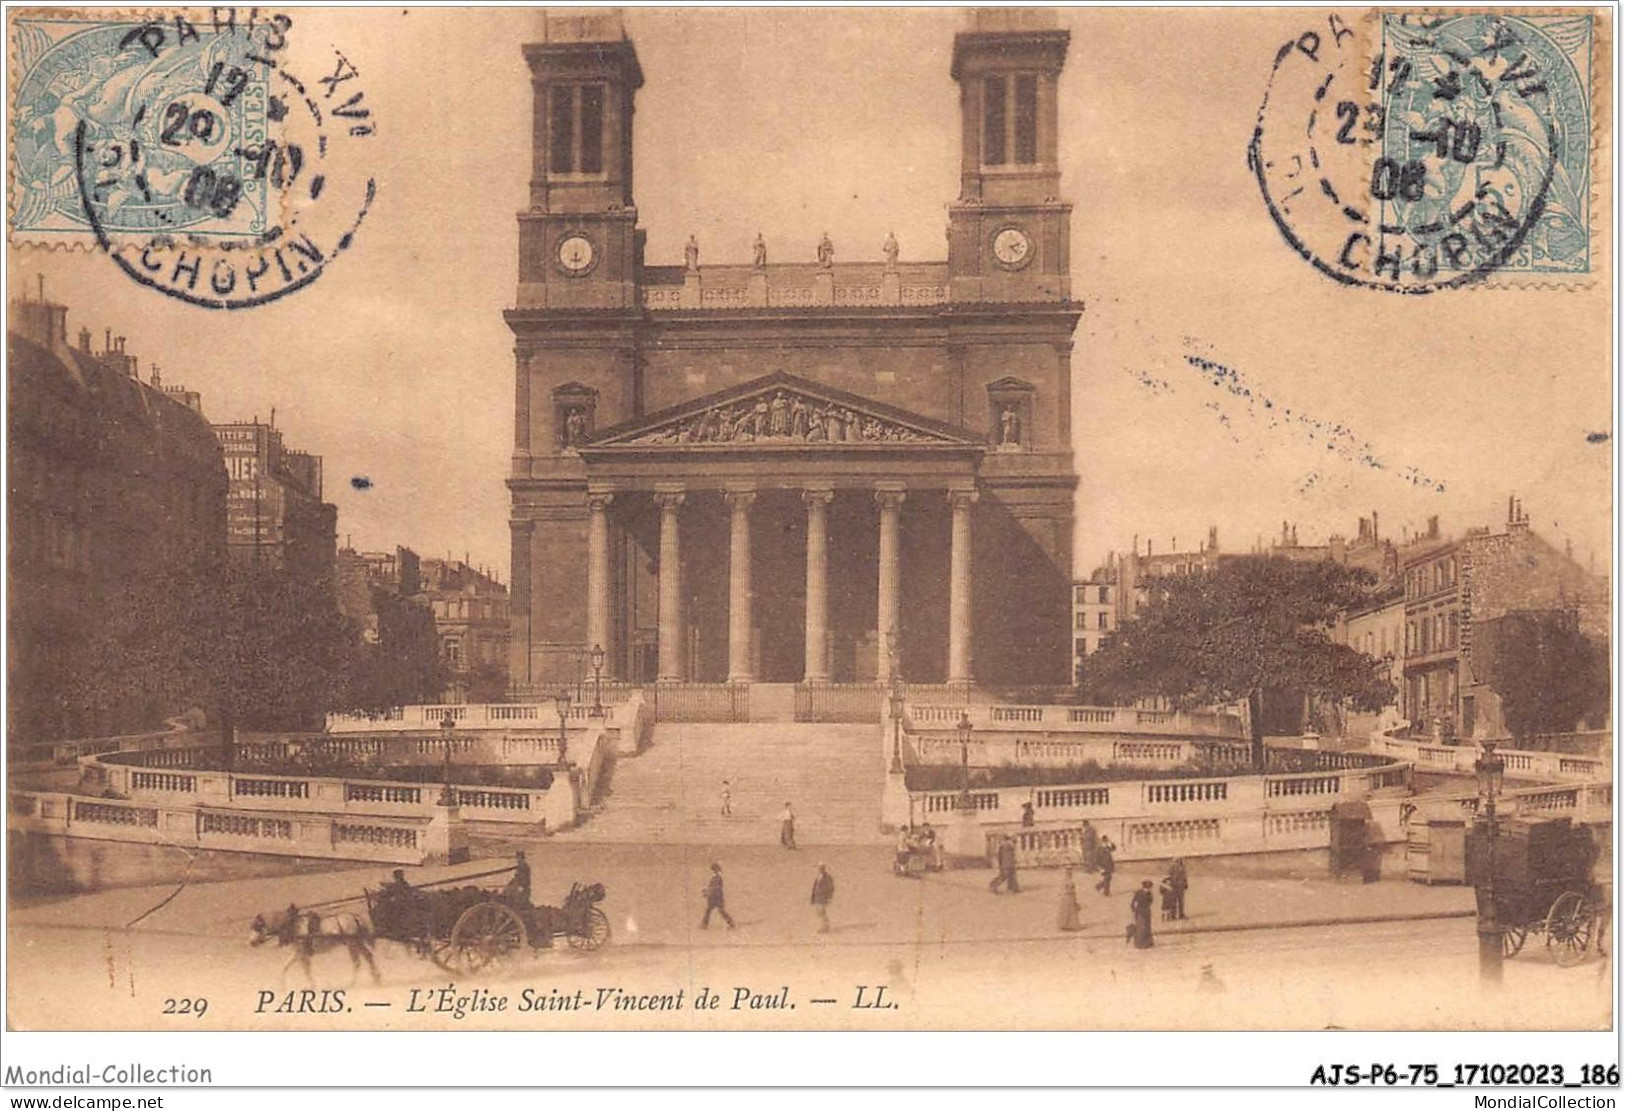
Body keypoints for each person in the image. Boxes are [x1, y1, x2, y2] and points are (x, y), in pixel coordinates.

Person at [701, 862, 735, 929]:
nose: (714, 870)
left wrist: (708, 891)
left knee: (716, 910)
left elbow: (716, 887)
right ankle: (730, 922)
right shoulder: (716, 877)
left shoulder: (717, 877)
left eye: (714, 869)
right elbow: (713, 886)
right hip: (716, 896)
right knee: (714, 910)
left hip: (716, 897)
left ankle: (705, 924)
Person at [1128, 880, 1155, 948]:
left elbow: (1150, 902)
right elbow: (1133, 902)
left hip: (1144, 912)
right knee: (1142, 928)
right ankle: (1141, 943)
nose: (1149, 889)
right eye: (1148, 888)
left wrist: (1134, 909)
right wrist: (1134, 910)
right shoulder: (1141, 893)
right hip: (1141, 912)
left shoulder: (1146, 893)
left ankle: (1146, 942)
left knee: (1146, 927)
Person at [810, 864, 836, 933]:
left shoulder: (827, 877)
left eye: (821, 868)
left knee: (821, 911)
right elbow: (815, 887)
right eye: (819, 868)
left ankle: (825, 927)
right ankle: (824, 926)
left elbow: (831, 888)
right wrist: (813, 897)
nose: (820, 869)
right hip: (818, 897)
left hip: (823, 897)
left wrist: (829, 897)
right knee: (818, 912)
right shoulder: (818, 877)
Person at [1057, 867, 1083, 932]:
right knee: (1068, 910)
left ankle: (1066, 924)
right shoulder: (1066, 880)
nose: (1070, 873)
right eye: (1068, 872)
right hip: (1068, 897)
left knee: (1068, 910)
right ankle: (1067, 924)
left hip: (1069, 897)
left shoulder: (1068, 880)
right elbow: (1065, 890)